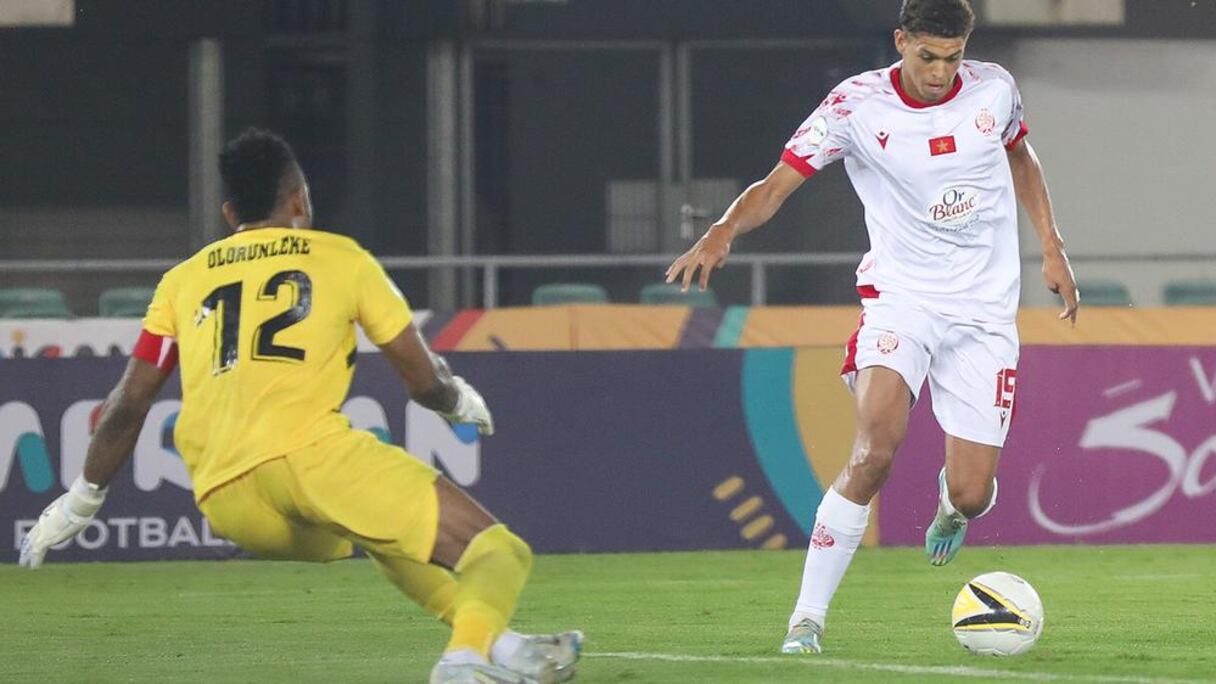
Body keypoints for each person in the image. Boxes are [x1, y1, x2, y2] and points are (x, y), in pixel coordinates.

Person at [19, 128, 582, 684]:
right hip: (307, 460)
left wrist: (81, 501)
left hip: (226, 500)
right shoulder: (341, 259)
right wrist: (458, 399)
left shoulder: (182, 281)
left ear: (230, 212)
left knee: (380, 532)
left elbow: (129, 402)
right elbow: (421, 381)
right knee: (499, 552)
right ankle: (462, 665)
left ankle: (500, 644)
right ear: (298, 199)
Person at [665, 0, 1078, 655]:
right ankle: (806, 621)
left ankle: (953, 507)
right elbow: (776, 185)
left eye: (953, 58)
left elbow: (1021, 158)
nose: (940, 73)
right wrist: (722, 231)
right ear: (901, 41)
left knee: (973, 493)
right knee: (873, 450)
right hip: (900, 301)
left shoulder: (994, 89)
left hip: (983, 312)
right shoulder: (854, 106)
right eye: (927, 56)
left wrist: (1052, 247)